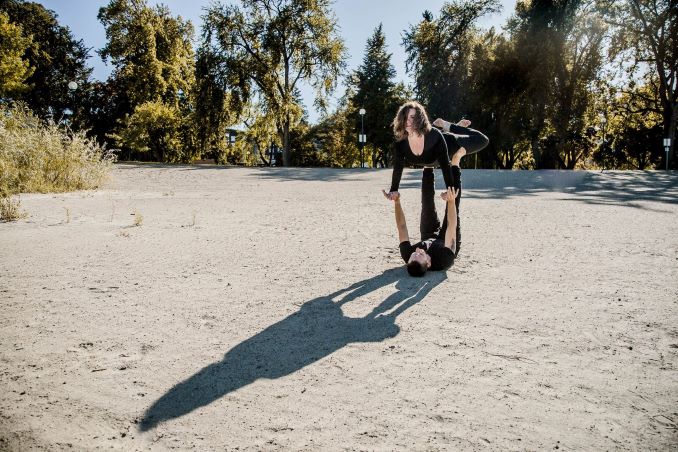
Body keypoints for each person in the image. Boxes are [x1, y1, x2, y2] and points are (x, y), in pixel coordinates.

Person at [383, 147, 466, 276]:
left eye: (413, 253)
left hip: (429, 235)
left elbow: (402, 227)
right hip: (447, 238)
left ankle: (428, 165)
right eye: (420, 254)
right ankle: (455, 162)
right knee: (454, 199)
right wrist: (450, 201)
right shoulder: (444, 259)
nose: (417, 249)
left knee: (427, 203)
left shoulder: (408, 255)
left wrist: (397, 201)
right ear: (429, 263)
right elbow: (451, 225)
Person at [385, 101, 488, 200]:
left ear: (420, 118)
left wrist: (450, 189)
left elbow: (445, 165)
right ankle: (455, 126)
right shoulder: (401, 142)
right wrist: (393, 190)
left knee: (482, 140)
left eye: (412, 117)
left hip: (449, 143)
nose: (408, 121)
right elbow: (398, 167)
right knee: (432, 133)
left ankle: (450, 126)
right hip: (434, 143)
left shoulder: (434, 135)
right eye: (405, 117)